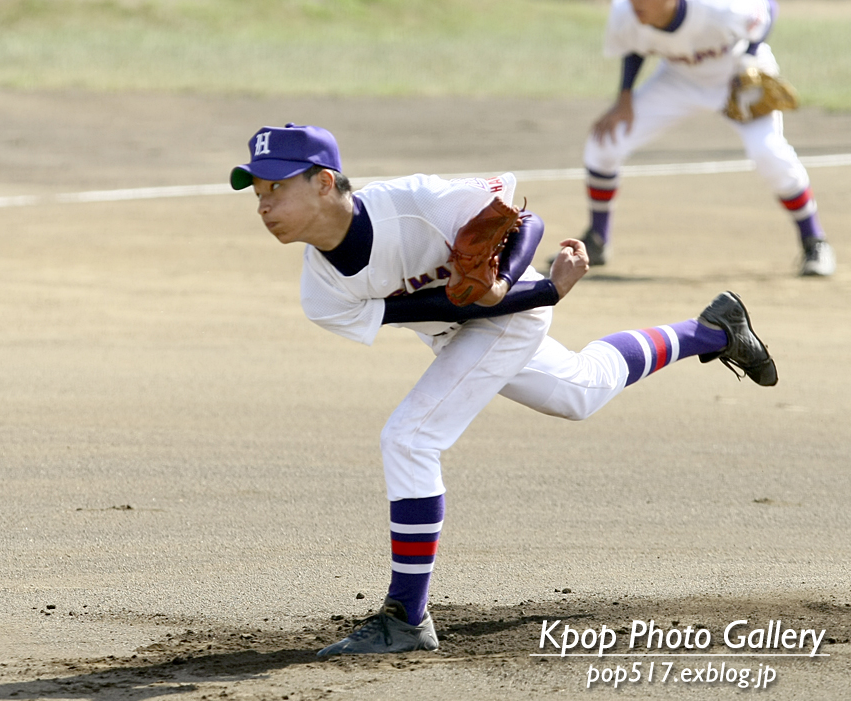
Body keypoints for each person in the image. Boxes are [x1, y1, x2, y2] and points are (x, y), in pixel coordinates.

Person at [230, 123, 778, 656]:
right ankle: (713, 330)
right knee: (580, 392)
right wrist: (533, 294)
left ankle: (406, 617)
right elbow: (443, 307)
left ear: (325, 182)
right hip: (474, 326)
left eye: (277, 188)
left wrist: (517, 285)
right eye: (258, 192)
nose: (264, 206)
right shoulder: (321, 293)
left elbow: (526, 221)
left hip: (506, 318)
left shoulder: (415, 202)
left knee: (410, 439)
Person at [580, 0, 836, 277]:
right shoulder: (625, 12)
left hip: (737, 76)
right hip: (678, 80)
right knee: (605, 143)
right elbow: (634, 44)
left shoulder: (718, 7)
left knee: (769, 153)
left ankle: (814, 241)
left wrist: (749, 56)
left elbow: (768, 8)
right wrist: (624, 97)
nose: (634, 4)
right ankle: (596, 239)